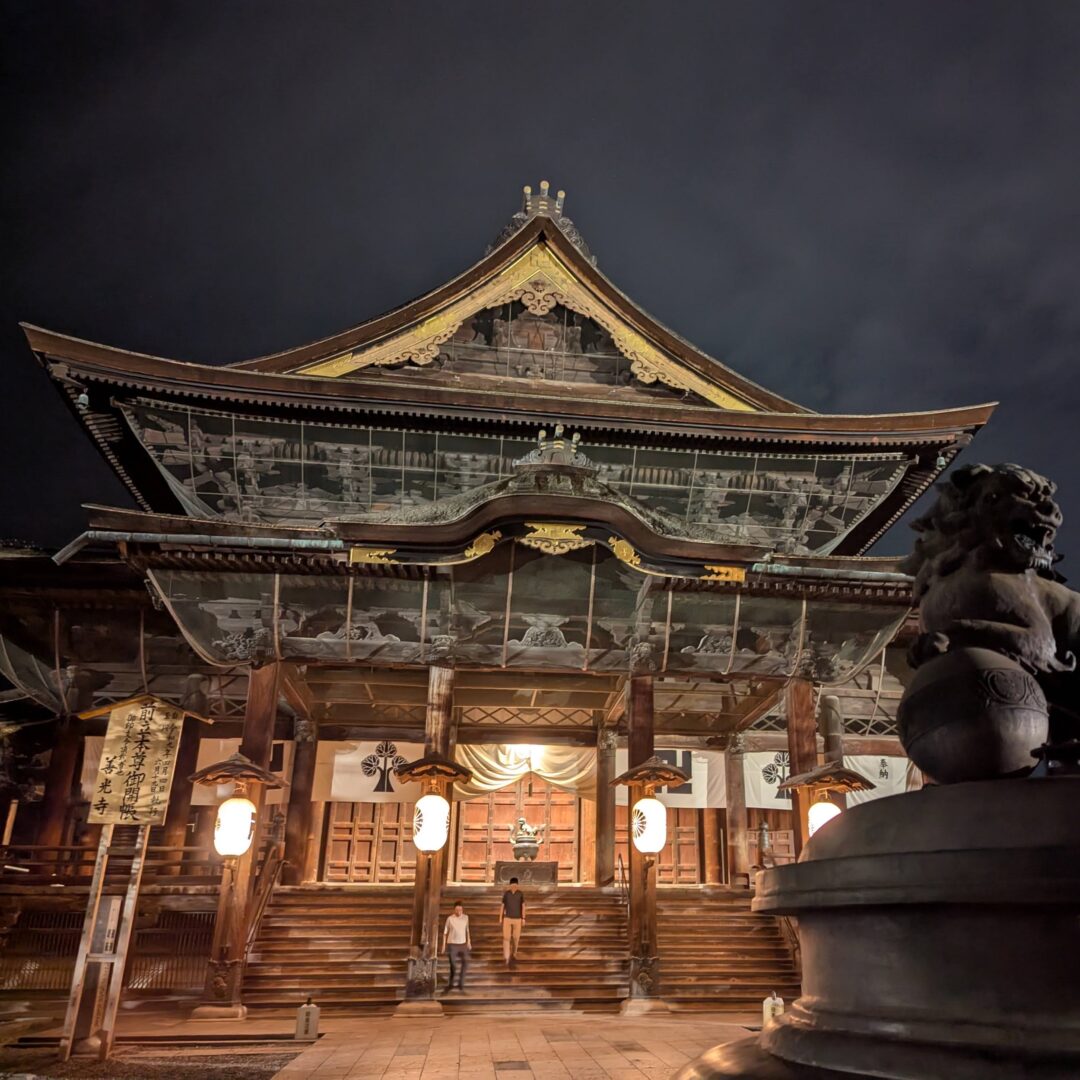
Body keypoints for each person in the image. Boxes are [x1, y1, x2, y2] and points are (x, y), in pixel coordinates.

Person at [441, 901, 471, 993]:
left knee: (466, 963)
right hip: (452, 944)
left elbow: (467, 930)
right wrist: (443, 945)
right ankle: (451, 984)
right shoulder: (450, 919)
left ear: (462, 910)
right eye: (457, 910)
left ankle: (461, 984)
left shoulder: (466, 918)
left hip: (463, 944)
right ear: (454, 910)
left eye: (460, 910)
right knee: (453, 966)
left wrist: (469, 942)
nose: (459, 911)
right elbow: (445, 933)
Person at [499, 876, 525, 965]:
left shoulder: (520, 894)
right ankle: (506, 956)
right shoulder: (506, 894)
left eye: (515, 885)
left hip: (517, 919)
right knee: (506, 937)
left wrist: (523, 918)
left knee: (516, 938)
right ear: (510, 885)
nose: (514, 886)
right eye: (512, 885)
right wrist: (500, 917)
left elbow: (523, 906)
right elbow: (502, 906)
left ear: (517, 885)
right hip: (507, 918)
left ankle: (514, 953)